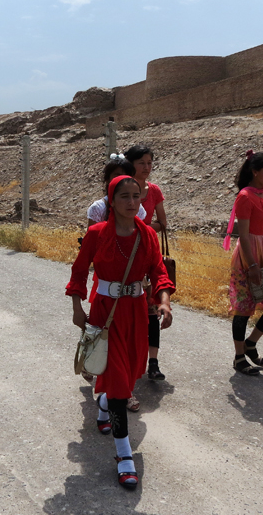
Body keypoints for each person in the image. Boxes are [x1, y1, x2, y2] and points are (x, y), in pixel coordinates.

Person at [66, 175, 174, 490]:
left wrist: (164, 302)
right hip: (106, 313)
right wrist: (77, 307)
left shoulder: (147, 235)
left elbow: (158, 271)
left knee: (131, 374)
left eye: (136, 196)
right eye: (124, 196)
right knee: (117, 387)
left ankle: (102, 405)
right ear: (111, 202)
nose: (131, 202)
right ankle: (124, 455)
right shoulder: (97, 234)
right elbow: (78, 270)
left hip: (137, 313)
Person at [84, 154, 148, 412]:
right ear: (109, 186)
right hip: (106, 278)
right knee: (105, 334)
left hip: (132, 284)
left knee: (128, 344)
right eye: (115, 179)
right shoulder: (97, 211)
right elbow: (89, 252)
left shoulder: (138, 212)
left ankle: (116, 389)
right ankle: (116, 391)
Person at [224, 150, 263, 375]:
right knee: (243, 308)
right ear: (255, 172)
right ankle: (239, 357)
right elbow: (245, 235)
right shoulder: (245, 196)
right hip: (249, 255)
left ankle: (251, 343)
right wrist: (251, 265)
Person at [124, 144, 168, 381]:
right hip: (124, 255)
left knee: (152, 311)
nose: (147, 167)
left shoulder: (155, 191)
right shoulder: (121, 188)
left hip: (147, 253)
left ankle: (153, 362)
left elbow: (163, 223)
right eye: (141, 162)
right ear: (130, 164)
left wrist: (142, 228)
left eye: (150, 162)